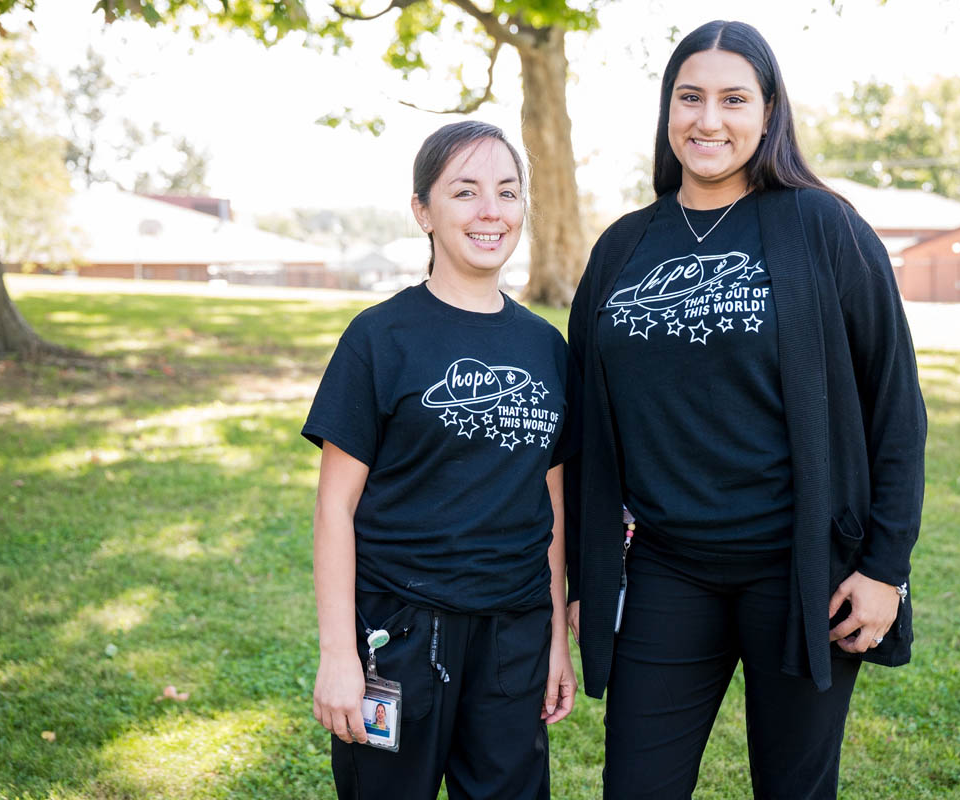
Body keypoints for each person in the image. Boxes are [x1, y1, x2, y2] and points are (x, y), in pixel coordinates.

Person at [564, 20, 927, 800]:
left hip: (800, 572)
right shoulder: (623, 247)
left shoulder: (821, 226)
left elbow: (893, 400)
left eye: (734, 99)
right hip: (665, 568)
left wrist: (884, 571)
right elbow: (585, 430)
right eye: (689, 97)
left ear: (768, 113)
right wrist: (575, 575)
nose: (709, 119)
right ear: (668, 113)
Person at [304, 120, 577, 800]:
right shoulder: (379, 338)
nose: (491, 211)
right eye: (465, 191)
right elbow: (335, 507)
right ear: (423, 210)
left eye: (508, 192)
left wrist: (553, 640)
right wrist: (339, 654)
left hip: (511, 638)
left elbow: (550, 501)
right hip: (398, 636)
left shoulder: (547, 348)